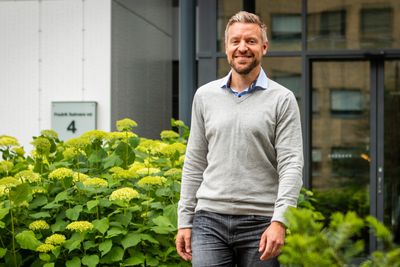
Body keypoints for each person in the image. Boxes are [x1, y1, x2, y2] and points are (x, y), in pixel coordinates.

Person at [176, 11, 303, 267]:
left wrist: (280, 220)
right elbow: (195, 161)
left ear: (264, 47)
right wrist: (184, 221)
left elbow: (291, 164)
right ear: (226, 47)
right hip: (209, 220)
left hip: (261, 223)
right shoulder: (204, 96)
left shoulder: (282, 99)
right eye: (235, 41)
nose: (242, 48)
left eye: (251, 41)